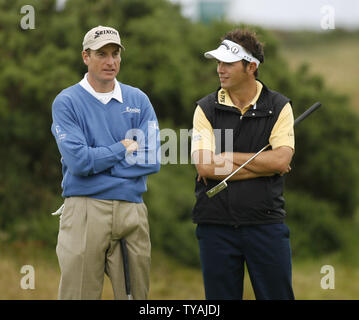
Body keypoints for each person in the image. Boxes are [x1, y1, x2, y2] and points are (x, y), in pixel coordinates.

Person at [51, 25, 160, 300]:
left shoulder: (138, 100)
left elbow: (152, 159)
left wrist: (97, 160)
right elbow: (78, 162)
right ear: (86, 56)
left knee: (137, 298)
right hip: (84, 211)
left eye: (115, 54)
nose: (111, 62)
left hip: (132, 211)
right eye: (102, 54)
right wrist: (122, 147)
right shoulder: (67, 101)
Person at [191, 29, 295, 300]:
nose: (220, 69)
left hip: (266, 224)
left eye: (228, 63)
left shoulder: (279, 106)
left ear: (251, 67)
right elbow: (204, 166)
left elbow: (282, 160)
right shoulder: (206, 108)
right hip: (215, 225)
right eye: (218, 63)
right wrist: (264, 163)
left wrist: (226, 157)